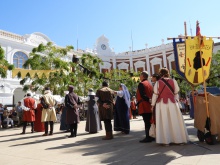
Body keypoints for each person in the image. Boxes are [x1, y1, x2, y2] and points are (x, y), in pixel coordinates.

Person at [151, 68, 189, 146]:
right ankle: (179, 140)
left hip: (162, 104)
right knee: (175, 120)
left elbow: (155, 95)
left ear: (160, 74)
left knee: (164, 121)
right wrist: (177, 102)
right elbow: (176, 93)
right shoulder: (173, 81)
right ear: (168, 73)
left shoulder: (158, 83)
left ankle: (166, 141)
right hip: (172, 103)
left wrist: (152, 105)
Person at [136, 71, 154, 143]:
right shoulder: (150, 84)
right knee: (150, 121)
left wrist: (148, 100)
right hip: (149, 105)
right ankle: (151, 135)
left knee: (146, 121)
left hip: (144, 104)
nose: (139, 77)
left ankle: (148, 137)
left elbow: (143, 95)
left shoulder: (141, 84)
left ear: (143, 76)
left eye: (140, 75)